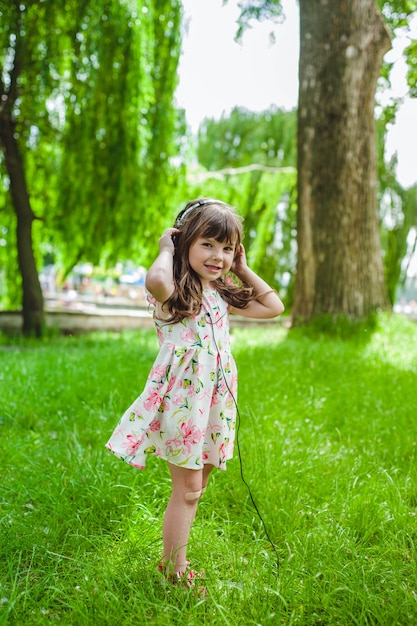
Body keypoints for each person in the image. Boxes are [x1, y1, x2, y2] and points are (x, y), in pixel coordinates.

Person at [105, 198, 284, 589]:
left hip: (213, 402)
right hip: (184, 401)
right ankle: (174, 570)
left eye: (226, 247)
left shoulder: (221, 293)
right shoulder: (174, 292)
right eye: (207, 244)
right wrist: (165, 251)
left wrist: (242, 268)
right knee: (187, 489)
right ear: (184, 240)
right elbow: (155, 281)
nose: (217, 255)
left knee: (197, 488)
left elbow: (274, 305)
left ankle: (176, 561)